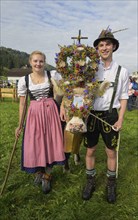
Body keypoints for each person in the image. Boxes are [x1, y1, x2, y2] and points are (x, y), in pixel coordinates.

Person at [82, 28, 129, 203]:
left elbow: (124, 97)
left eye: (107, 44)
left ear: (113, 46)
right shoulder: (90, 70)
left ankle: (110, 184)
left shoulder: (122, 71)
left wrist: (121, 118)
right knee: (90, 150)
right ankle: (90, 181)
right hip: (92, 115)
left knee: (110, 152)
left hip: (111, 116)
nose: (104, 48)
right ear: (96, 49)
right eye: (100, 45)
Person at [15, 50, 65, 194]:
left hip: (51, 112)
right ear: (30, 62)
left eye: (41, 61)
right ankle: (39, 171)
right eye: (35, 61)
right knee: (35, 144)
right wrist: (20, 124)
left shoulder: (52, 75)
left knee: (50, 142)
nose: (38, 64)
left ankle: (47, 175)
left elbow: (63, 91)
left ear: (44, 62)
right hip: (34, 115)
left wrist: (62, 106)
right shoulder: (24, 80)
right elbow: (22, 104)